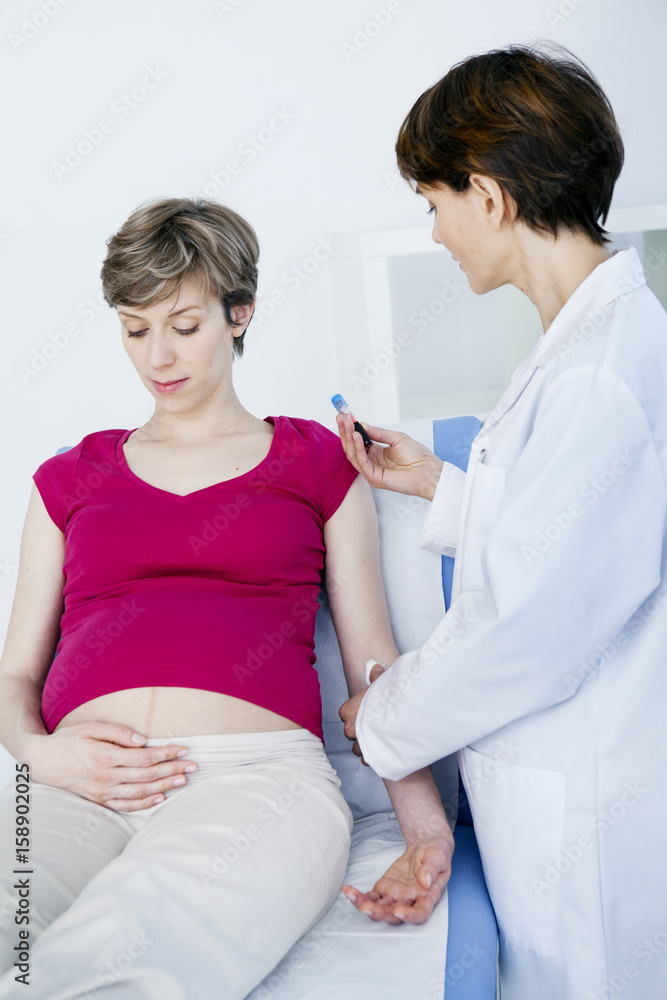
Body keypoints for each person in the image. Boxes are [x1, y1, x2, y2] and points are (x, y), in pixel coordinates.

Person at [0, 198, 453, 1000]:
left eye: (184, 325)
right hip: (73, 779)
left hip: (258, 782)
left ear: (238, 313)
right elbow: (13, 679)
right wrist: (39, 756)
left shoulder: (315, 460)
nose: (158, 356)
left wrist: (424, 830)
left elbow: (373, 667)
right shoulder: (71, 475)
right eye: (136, 330)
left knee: (125, 965)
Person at [337, 43, 667, 1000]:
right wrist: (440, 484)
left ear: (487, 197)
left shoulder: (602, 374)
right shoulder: (594, 346)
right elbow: (576, 537)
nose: (435, 232)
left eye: (433, 202)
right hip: (558, 794)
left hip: (587, 810)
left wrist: (384, 718)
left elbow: (531, 625)